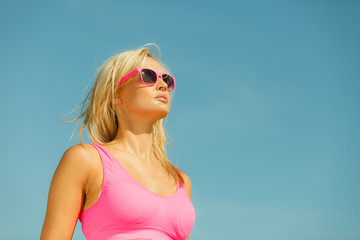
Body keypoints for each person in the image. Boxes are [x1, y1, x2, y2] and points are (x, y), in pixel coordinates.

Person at [40, 44, 195, 240]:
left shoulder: (181, 180)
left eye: (166, 79)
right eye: (148, 76)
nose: (163, 85)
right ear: (115, 94)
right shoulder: (85, 160)